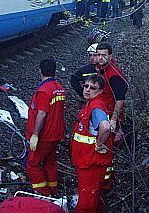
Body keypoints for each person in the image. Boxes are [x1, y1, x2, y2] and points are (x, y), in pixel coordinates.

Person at [71, 74, 114, 213]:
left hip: (90, 162)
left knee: (87, 201)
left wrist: (100, 145)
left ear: (100, 91)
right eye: (86, 86)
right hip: (87, 160)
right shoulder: (92, 104)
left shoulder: (96, 107)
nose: (87, 90)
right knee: (93, 196)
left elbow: (105, 127)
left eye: (92, 88)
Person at [25, 58, 66, 196]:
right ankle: (52, 188)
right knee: (50, 161)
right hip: (57, 133)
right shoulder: (59, 88)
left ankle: (43, 193)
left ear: (40, 71)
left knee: (33, 163)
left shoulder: (43, 91)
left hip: (45, 135)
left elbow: (41, 114)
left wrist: (35, 135)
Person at [70, 42, 128, 137]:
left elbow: (120, 99)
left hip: (107, 114)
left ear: (110, 56)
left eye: (104, 55)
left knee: (104, 141)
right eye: (98, 55)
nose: (100, 58)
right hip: (99, 110)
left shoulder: (114, 75)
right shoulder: (102, 69)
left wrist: (113, 119)